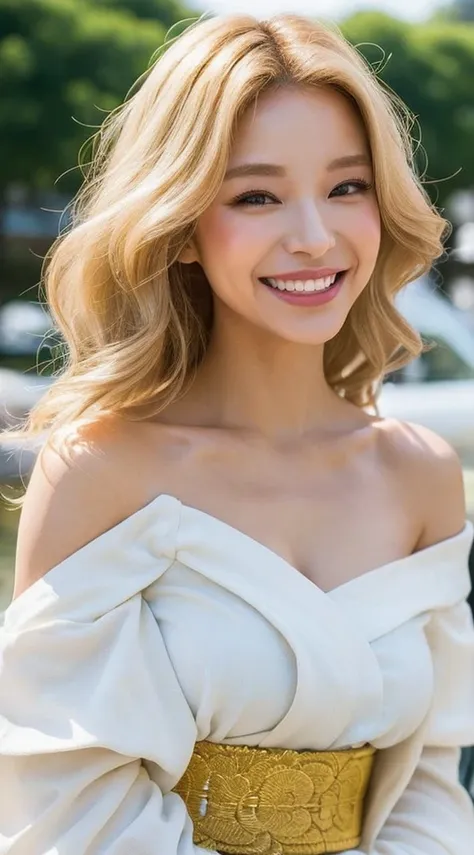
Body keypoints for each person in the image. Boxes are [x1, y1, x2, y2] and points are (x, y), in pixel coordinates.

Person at [0, 11, 473, 855]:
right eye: (256, 195)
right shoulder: (98, 472)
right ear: (180, 225)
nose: (315, 237)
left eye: (347, 186)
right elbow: (67, 810)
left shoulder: (421, 478)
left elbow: (432, 781)